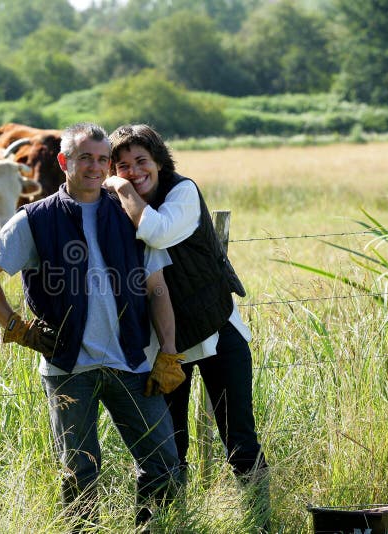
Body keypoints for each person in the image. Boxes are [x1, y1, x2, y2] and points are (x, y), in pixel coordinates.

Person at [0, 122, 183, 531]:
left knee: (163, 462)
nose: (96, 167)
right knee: (79, 474)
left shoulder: (129, 212)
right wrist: (17, 326)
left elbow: (156, 289)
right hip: (68, 369)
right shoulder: (36, 219)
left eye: (103, 159)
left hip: (132, 363)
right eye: (86, 157)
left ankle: (153, 529)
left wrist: (168, 354)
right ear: (64, 161)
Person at [103, 124, 270, 530]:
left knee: (239, 441)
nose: (134, 171)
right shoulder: (111, 211)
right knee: (166, 447)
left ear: (159, 160)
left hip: (217, 333)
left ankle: (261, 521)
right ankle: (160, 525)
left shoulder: (183, 192)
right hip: (161, 346)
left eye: (141, 161)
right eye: (122, 166)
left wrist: (120, 189)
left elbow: (159, 232)